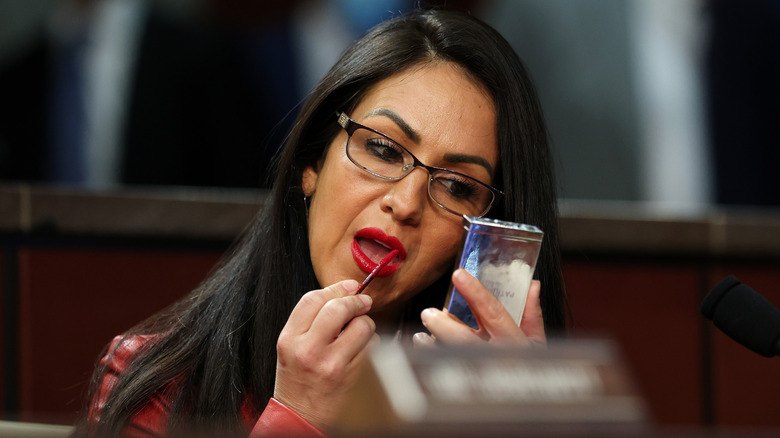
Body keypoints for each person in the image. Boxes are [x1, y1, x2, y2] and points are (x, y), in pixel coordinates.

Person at [74, 8, 568, 437]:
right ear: (312, 166)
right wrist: (299, 417)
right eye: (382, 149)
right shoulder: (162, 384)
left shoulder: (501, 410)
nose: (406, 202)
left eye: (457, 186)